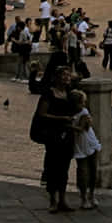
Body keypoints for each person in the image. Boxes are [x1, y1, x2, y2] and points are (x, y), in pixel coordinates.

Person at [36, 66, 76, 213]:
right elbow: (42, 114)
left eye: (68, 75)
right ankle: (53, 200)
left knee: (64, 168)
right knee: (53, 167)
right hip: (53, 135)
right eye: (64, 75)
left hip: (67, 135)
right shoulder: (49, 93)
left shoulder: (70, 93)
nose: (67, 78)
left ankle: (63, 200)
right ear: (57, 77)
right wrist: (61, 118)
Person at [70, 89, 101, 210]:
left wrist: (69, 125)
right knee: (82, 171)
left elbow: (82, 128)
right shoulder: (72, 113)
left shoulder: (84, 112)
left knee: (93, 170)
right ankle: (83, 196)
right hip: (80, 144)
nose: (83, 104)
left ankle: (91, 194)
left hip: (88, 142)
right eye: (81, 102)